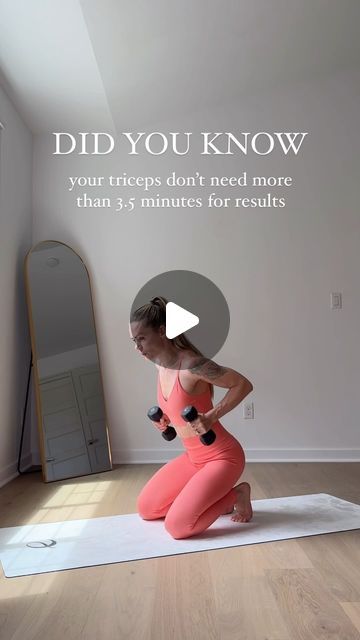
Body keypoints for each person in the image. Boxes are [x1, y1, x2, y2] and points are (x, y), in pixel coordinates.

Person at [129, 295, 254, 540]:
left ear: (163, 331)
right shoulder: (160, 365)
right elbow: (181, 406)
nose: (137, 347)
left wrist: (210, 416)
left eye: (142, 338)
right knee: (147, 509)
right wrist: (165, 419)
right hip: (193, 457)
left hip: (222, 457)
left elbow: (243, 384)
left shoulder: (193, 366)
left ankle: (236, 494)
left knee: (178, 527)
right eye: (134, 341)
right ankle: (206, 496)